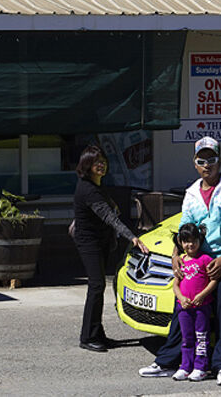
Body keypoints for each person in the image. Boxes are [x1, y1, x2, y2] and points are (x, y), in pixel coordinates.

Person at [139, 136, 221, 387]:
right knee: (183, 307)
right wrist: (176, 255)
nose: (207, 164)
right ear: (195, 163)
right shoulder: (191, 193)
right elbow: (184, 229)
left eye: (212, 159)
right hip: (196, 261)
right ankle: (168, 361)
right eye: (202, 160)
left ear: (219, 160)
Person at [72, 144, 148, 352]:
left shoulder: (98, 185)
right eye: (97, 162)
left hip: (101, 241)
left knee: (99, 287)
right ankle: (87, 337)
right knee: (96, 286)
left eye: (103, 162)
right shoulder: (88, 189)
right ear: (86, 165)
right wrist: (132, 237)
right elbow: (109, 217)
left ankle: (97, 333)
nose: (101, 165)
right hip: (89, 242)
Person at [170, 223, 217, 382]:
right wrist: (182, 299)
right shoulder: (181, 261)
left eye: (193, 240)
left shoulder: (205, 259)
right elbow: (175, 285)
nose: (190, 244)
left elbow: (214, 280)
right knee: (187, 338)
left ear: (199, 240)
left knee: (201, 338)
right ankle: (185, 366)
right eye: (186, 241)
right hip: (184, 308)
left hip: (201, 308)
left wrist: (202, 295)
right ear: (181, 243)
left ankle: (201, 367)